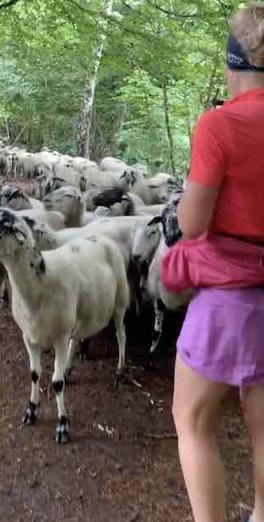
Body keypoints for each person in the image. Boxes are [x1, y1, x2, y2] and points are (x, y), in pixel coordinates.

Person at [171, 5, 264, 522]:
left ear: (234, 64)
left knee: (192, 418)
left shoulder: (220, 124)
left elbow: (191, 222)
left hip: (231, 295)